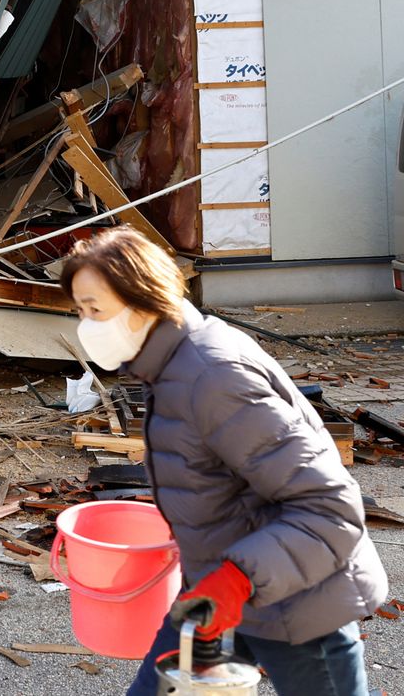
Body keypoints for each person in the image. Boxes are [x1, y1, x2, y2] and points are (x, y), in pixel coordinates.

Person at [59, 227, 386, 696]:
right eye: (80, 310)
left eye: (95, 309)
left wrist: (234, 581)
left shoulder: (214, 376)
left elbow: (329, 509)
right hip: (220, 597)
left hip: (299, 608)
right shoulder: (171, 366)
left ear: (144, 299)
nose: (86, 325)